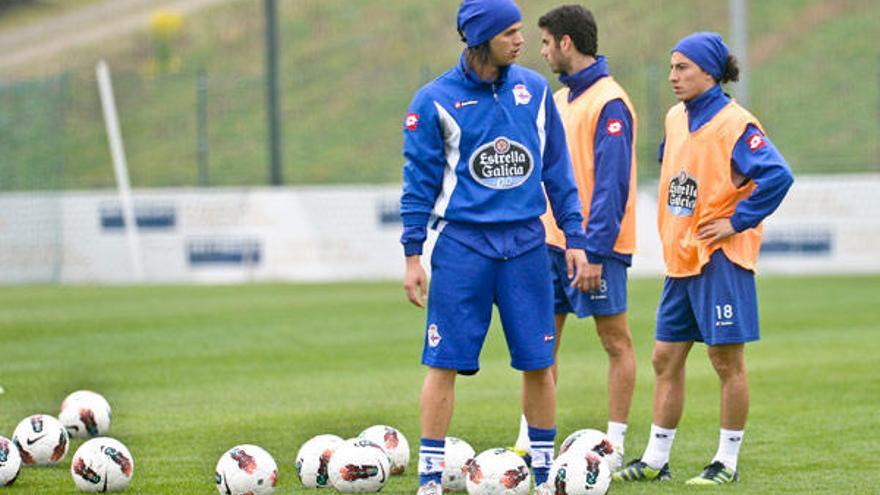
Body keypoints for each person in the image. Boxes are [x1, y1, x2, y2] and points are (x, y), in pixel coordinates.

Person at [399, 1, 592, 493]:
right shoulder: (434, 100)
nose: (521, 40)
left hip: (528, 246)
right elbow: (417, 183)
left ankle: (546, 475)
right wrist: (412, 254)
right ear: (481, 38)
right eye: (509, 32)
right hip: (463, 248)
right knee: (442, 363)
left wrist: (574, 239)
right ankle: (429, 480)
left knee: (538, 361)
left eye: (521, 30)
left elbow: (558, 173)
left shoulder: (535, 91)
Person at [613, 32, 794, 485]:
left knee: (725, 361)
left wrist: (738, 220)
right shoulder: (676, 117)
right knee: (664, 358)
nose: (673, 76)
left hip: (721, 260)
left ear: (709, 73)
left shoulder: (736, 124)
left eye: (682, 68)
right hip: (683, 260)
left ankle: (726, 463)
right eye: (672, 67)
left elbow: (778, 176)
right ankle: (656, 460)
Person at [511, 5, 638, 472]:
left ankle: (615, 444)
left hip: (596, 249)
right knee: (541, 343)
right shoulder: (560, 101)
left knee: (615, 340)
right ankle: (530, 440)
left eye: (545, 42)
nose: (541, 51)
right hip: (548, 243)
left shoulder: (610, 102)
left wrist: (594, 250)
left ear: (566, 43)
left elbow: (611, 185)